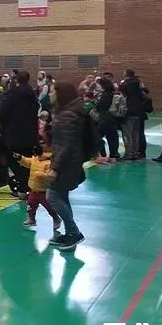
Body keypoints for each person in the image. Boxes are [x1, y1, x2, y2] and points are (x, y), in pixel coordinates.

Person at [46, 81, 97, 251]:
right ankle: (69, 233)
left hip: (67, 163)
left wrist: (55, 167)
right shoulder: (71, 111)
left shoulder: (68, 115)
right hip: (72, 161)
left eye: (53, 91)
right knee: (61, 195)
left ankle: (74, 232)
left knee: (52, 196)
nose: (50, 94)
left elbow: (67, 145)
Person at [0, 70, 40, 195]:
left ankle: (23, 187)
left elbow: (3, 113)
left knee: (13, 159)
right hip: (31, 132)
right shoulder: (33, 95)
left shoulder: (11, 95)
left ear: (16, 80)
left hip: (14, 132)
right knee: (27, 161)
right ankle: (28, 186)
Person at [15, 145, 61, 234]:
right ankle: (32, 219)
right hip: (33, 189)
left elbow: (51, 176)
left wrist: (41, 174)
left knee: (49, 207)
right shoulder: (34, 159)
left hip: (43, 191)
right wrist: (20, 158)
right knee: (30, 206)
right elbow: (27, 162)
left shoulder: (49, 163)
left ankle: (56, 219)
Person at [120, 69, 149, 160]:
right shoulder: (139, 85)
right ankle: (136, 153)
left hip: (128, 112)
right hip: (139, 112)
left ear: (125, 74)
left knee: (128, 134)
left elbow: (119, 95)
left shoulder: (123, 85)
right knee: (137, 134)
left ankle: (129, 154)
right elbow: (147, 96)